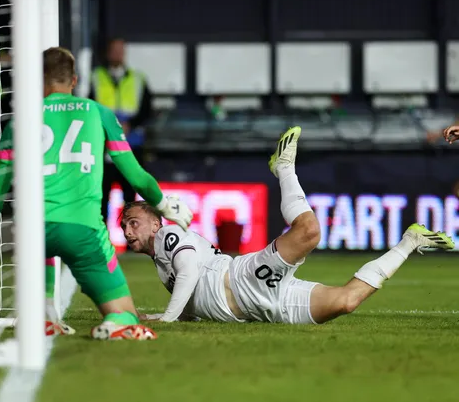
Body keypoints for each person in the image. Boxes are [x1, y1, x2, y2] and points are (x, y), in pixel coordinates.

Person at [0, 47, 192, 340]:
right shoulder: (98, 112)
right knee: (126, 316)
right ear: (74, 80)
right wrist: (163, 204)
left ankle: (44, 314)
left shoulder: (19, 122)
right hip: (83, 232)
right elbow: (136, 176)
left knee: (40, 247)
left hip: (32, 233)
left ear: (39, 80)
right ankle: (115, 322)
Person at [121, 126, 455, 324]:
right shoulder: (161, 263)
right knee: (346, 302)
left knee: (309, 232)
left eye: (134, 222)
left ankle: (283, 167)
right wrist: (172, 316)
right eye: (124, 227)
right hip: (268, 308)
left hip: (243, 280)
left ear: (155, 221)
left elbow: (192, 273)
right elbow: (194, 298)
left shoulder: (168, 234)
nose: (127, 231)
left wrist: (166, 318)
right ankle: (411, 242)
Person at [89, 38, 153, 225]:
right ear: (108, 53)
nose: (117, 54)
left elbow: (147, 109)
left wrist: (130, 124)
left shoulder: (138, 78)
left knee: (130, 196)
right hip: (104, 145)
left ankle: (133, 240)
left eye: (120, 50)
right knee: (102, 194)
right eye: (114, 50)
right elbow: (90, 107)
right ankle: (102, 239)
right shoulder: (96, 77)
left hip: (131, 145)